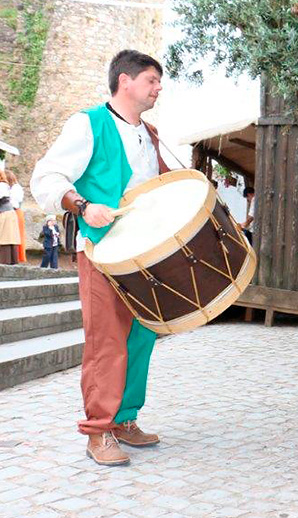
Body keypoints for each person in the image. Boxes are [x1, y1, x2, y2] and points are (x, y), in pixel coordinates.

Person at [30, 50, 170, 466]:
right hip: (102, 249)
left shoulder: (151, 133)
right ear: (125, 81)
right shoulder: (88, 123)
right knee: (107, 340)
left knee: (142, 336)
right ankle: (99, 431)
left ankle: (125, 418)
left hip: (145, 252)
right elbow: (48, 177)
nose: (157, 88)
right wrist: (82, 204)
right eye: (151, 80)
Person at [0, 169, 20, 264]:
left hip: (6, 214)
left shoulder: (2, 186)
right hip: (7, 213)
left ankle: (6, 263)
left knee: (6, 239)